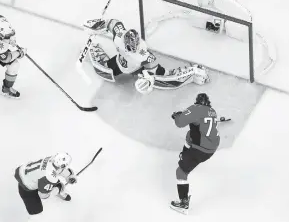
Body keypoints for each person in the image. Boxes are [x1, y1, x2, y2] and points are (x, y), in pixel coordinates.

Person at [82, 18, 210, 94]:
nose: (132, 50)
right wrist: (95, 26)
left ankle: (191, 73)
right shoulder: (120, 34)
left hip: (138, 67)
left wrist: (150, 80)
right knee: (103, 70)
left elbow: (165, 78)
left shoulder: (144, 56)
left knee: (161, 75)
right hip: (120, 64)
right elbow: (111, 23)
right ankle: (96, 50)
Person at [170, 93, 220, 214]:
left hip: (201, 150)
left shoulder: (195, 108)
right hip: (212, 147)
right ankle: (185, 155)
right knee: (190, 135)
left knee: (180, 172)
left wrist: (177, 116)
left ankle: (183, 203)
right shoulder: (212, 111)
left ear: (197, 102)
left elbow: (179, 123)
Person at [14, 152, 78, 220]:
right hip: (27, 189)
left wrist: (69, 176)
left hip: (27, 175)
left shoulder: (52, 159)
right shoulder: (50, 176)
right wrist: (57, 189)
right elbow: (44, 195)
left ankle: (59, 189)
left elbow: (59, 169)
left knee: (53, 182)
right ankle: (60, 190)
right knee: (37, 213)